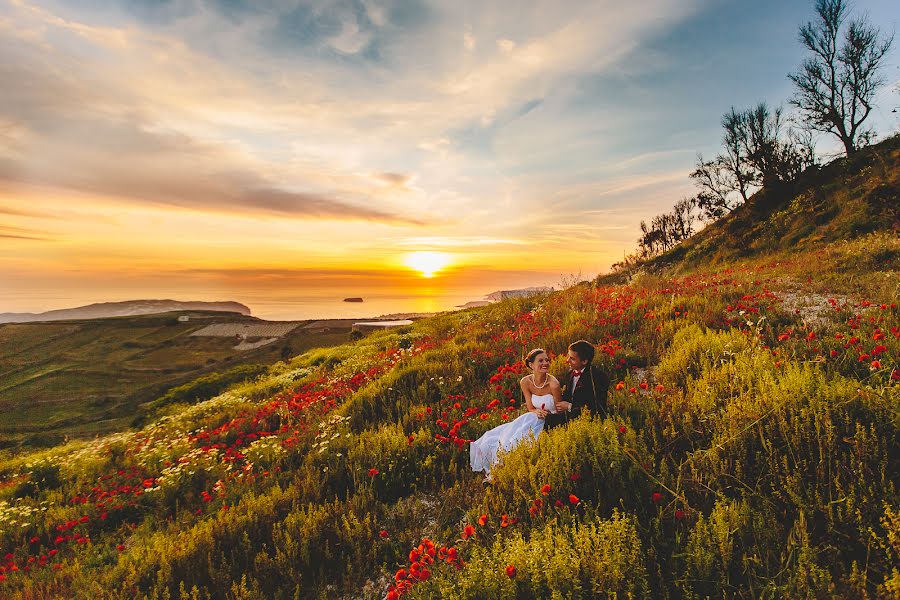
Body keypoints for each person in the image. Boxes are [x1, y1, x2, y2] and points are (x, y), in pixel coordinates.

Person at [469, 348, 562, 480]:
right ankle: (496, 474)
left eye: (547, 360)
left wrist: (549, 416)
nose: (545, 363)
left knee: (526, 446)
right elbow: (530, 407)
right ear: (531, 365)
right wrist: (536, 411)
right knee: (510, 440)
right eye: (540, 360)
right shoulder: (525, 382)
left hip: (550, 421)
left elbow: (560, 410)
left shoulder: (554, 384)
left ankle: (510, 475)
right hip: (532, 418)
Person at [544, 340, 610, 431]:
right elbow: (567, 397)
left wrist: (569, 407)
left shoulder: (598, 377)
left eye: (572, 359)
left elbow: (596, 407)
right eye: (568, 357)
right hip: (570, 417)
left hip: (587, 421)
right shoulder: (570, 374)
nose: (567, 361)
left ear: (584, 361)